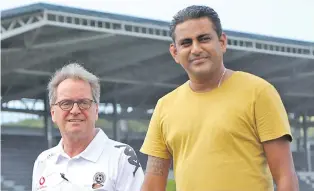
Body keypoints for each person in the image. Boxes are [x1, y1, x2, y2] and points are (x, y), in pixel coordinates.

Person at [140, 5, 299, 191]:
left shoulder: (259, 92)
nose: (196, 49)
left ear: (222, 42)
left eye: (204, 39)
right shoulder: (164, 107)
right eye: (186, 43)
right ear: (175, 52)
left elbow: (285, 176)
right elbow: (153, 183)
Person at [32, 63, 144, 191]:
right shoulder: (43, 161)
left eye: (83, 103)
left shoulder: (121, 157)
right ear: (53, 113)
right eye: (66, 103)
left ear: (96, 110)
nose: (75, 110)